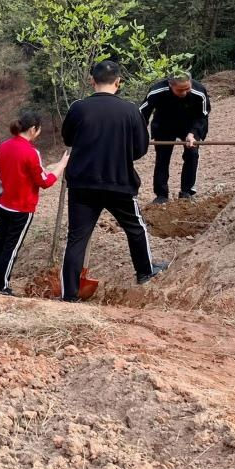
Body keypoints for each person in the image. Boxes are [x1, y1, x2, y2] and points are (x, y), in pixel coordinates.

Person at [60, 60, 169, 301]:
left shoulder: (79, 108)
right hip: (118, 181)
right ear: (118, 82)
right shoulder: (130, 110)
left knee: (77, 237)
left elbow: (68, 138)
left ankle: (69, 295)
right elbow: (140, 148)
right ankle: (144, 271)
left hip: (82, 183)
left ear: (92, 81)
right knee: (135, 227)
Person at [0, 111, 67, 295]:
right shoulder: (31, 152)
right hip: (22, 207)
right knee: (11, 247)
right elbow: (44, 181)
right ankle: (2, 285)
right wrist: (61, 166)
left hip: (3, 203)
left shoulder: (4, 146)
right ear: (33, 129)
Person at [139, 72, 212, 204]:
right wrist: (140, 134)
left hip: (190, 125)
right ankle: (161, 195)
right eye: (179, 90)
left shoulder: (199, 91)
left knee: (192, 154)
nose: (184, 92)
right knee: (162, 157)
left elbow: (202, 115)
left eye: (187, 88)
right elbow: (142, 114)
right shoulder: (156, 91)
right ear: (170, 85)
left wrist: (193, 133)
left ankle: (187, 192)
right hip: (164, 125)